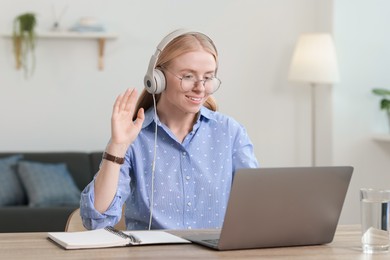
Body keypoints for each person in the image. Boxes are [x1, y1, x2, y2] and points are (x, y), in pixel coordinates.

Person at [80, 29, 259, 231]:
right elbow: (96, 220)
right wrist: (117, 147)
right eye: (188, 76)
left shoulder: (231, 132)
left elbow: (256, 207)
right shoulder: (135, 136)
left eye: (208, 77)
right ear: (158, 78)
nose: (200, 88)